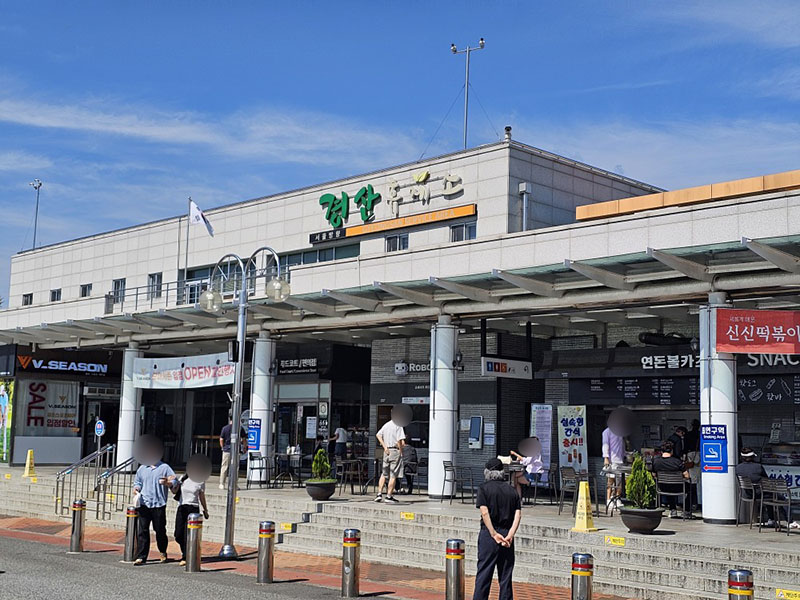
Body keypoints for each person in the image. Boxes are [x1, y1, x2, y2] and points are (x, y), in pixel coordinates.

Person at [473, 458, 522, 600]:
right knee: (506, 576)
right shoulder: (512, 490)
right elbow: (518, 515)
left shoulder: (483, 488)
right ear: (502, 472)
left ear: (487, 472)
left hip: (489, 534)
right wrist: (510, 534)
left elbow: (484, 512)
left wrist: (493, 533)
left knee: (484, 573)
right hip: (507, 534)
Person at [132, 451, 178, 565]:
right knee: (143, 531)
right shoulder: (142, 468)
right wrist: (136, 488)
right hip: (144, 503)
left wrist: (168, 483)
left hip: (159, 504)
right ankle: (141, 556)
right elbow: (137, 482)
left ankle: (162, 552)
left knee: (160, 530)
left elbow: (174, 480)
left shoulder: (164, 468)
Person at [173, 473, 209, 566]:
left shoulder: (200, 481)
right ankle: (186, 552)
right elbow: (174, 491)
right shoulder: (183, 478)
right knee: (178, 534)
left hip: (193, 508)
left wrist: (205, 509)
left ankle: (186, 556)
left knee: (187, 534)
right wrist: (173, 485)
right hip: (182, 507)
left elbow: (201, 496)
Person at [652, 440, 690, 518]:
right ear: (672, 451)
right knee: (691, 488)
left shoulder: (656, 461)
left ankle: (673, 510)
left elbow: (654, 475)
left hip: (662, 487)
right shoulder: (677, 462)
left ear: (661, 451)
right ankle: (686, 511)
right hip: (678, 488)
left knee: (669, 486)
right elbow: (687, 476)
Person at [374, 416, 405, 504]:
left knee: (384, 473)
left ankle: (379, 494)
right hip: (395, 451)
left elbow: (378, 435)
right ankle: (389, 496)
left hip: (386, 451)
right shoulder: (398, 426)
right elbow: (400, 441)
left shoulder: (386, 425)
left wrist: (385, 447)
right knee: (393, 475)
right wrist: (401, 451)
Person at [602, 425, 626, 506]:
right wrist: (606, 457)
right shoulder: (607, 432)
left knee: (619, 482)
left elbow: (622, 445)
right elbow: (605, 445)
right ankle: (609, 499)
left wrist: (624, 455)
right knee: (610, 480)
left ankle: (617, 498)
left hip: (620, 460)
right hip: (611, 460)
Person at [219, 416, 233, 489]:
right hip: (236, 451)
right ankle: (234, 483)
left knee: (224, 466)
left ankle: (222, 483)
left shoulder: (225, 428)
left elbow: (221, 439)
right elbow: (243, 439)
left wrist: (222, 447)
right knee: (235, 467)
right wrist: (244, 448)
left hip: (226, 450)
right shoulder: (239, 428)